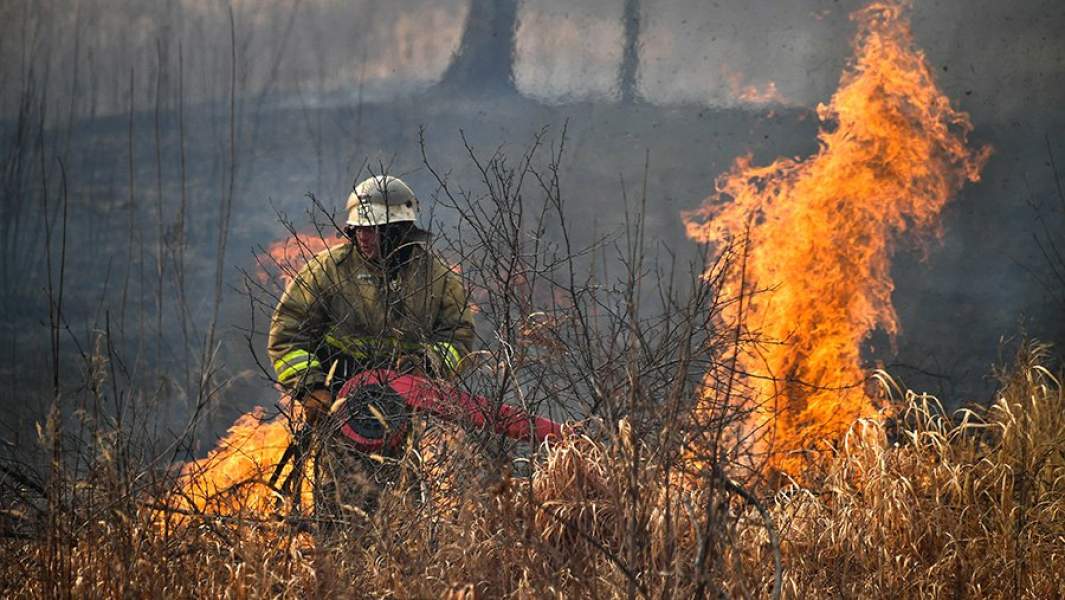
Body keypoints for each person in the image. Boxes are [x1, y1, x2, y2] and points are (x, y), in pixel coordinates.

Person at [267, 175, 475, 520]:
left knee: (398, 501)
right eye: (358, 229)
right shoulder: (328, 272)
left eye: (373, 230)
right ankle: (340, 560)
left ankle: (394, 563)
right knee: (341, 501)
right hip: (339, 404)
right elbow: (288, 334)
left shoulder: (435, 277)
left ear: (399, 230)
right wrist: (311, 387)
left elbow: (459, 335)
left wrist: (429, 365)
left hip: (399, 406)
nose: (363, 237)